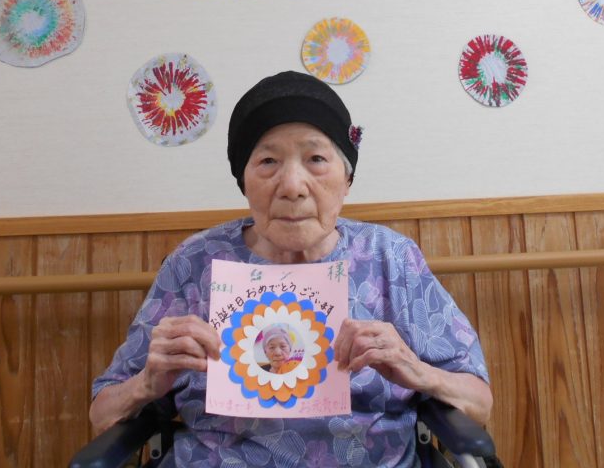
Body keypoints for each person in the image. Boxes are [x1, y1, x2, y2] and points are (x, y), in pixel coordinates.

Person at [90, 71, 492, 467]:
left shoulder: (390, 258)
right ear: (244, 181)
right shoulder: (195, 263)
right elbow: (101, 414)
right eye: (268, 161)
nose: (292, 186)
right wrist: (146, 384)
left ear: (347, 179)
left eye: (316, 159)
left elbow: (479, 403)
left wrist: (417, 371)